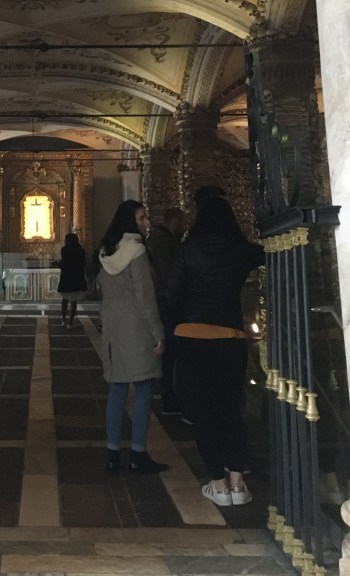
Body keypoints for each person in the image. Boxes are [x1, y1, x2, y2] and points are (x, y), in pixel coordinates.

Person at [166, 185, 264, 507]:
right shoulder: (240, 250)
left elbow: (171, 295)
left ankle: (218, 485)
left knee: (204, 412)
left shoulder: (188, 249)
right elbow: (272, 252)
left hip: (192, 336)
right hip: (229, 337)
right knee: (230, 409)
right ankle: (238, 482)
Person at [97, 199, 168, 474]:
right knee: (144, 389)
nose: (146, 222)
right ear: (130, 222)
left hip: (114, 327)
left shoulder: (106, 252)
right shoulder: (136, 251)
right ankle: (138, 453)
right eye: (141, 218)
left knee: (117, 389)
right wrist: (157, 332)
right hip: (137, 328)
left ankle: (112, 453)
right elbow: (145, 297)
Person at [146, 207, 188, 414]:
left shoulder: (157, 240)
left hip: (161, 305)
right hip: (167, 307)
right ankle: (171, 399)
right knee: (171, 356)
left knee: (168, 356)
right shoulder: (165, 245)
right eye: (184, 223)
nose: (185, 228)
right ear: (176, 222)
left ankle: (170, 397)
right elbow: (169, 278)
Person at [57, 231, 88, 327]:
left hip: (67, 276)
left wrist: (59, 264)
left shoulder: (65, 250)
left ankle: (63, 319)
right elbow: (83, 263)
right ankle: (70, 321)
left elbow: (64, 263)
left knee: (65, 299)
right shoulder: (81, 250)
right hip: (77, 277)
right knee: (74, 301)